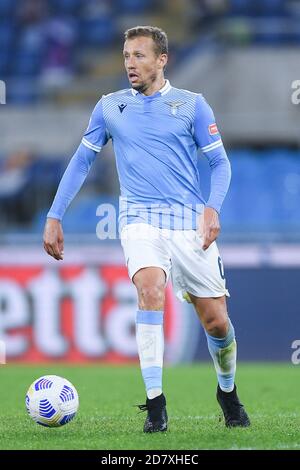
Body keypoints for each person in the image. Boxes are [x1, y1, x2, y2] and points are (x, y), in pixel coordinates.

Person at [43, 25, 250, 433]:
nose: (130, 64)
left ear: (162, 60)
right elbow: (81, 161)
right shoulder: (109, 106)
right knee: (150, 290)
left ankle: (227, 392)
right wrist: (54, 214)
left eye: (139, 56)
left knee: (217, 323)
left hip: (189, 224)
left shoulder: (192, 106)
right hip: (138, 220)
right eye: (125, 56)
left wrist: (212, 209)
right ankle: (156, 406)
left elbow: (220, 164)